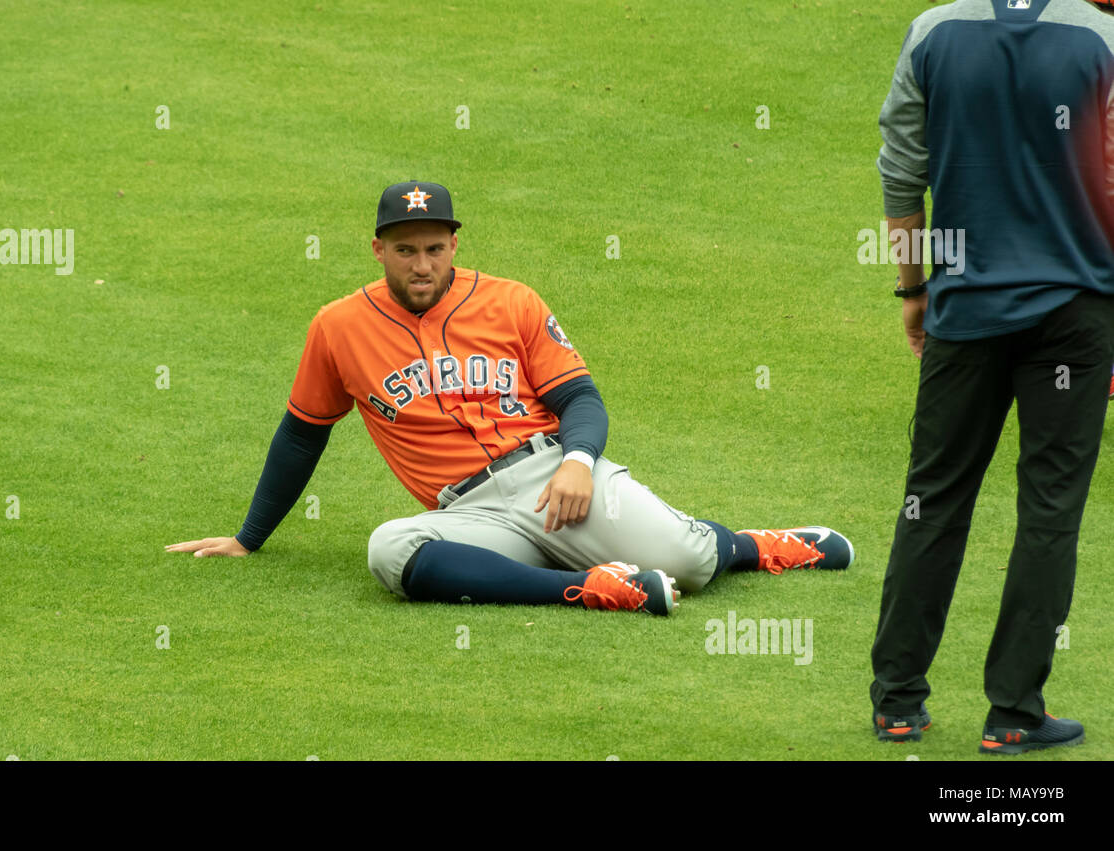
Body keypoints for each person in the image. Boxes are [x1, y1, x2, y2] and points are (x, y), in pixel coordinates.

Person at [167, 181, 853, 615]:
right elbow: (301, 433)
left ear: (455, 243)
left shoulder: (510, 300)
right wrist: (248, 539)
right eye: (405, 250)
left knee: (689, 564)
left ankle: (754, 544)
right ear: (377, 249)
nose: (422, 264)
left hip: (553, 477)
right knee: (389, 551)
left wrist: (579, 460)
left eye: (434, 247)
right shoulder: (338, 327)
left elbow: (581, 397)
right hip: (468, 515)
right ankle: (592, 589)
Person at [870, 0, 1114, 754]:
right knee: (1050, 508)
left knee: (931, 499)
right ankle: (1014, 712)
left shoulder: (931, 32)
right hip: (1076, 315)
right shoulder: (1101, 38)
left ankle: (898, 701)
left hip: (965, 312)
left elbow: (902, 174)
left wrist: (913, 290)